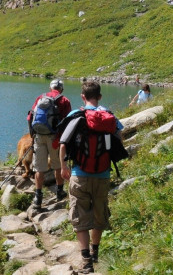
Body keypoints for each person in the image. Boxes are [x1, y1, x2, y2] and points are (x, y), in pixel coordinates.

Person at [59, 81, 123, 273]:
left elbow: (63, 144)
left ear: (82, 96)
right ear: (100, 97)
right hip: (103, 174)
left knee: (79, 217)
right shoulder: (109, 115)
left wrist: (63, 166)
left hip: (80, 174)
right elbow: (119, 138)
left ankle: (86, 261)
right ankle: (95, 252)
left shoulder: (75, 115)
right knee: (99, 213)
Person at [28, 79, 72, 208]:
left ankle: (38, 197)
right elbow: (67, 121)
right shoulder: (64, 100)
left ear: (50, 87)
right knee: (57, 165)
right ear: (61, 89)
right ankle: (59, 192)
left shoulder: (40, 97)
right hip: (55, 138)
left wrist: (33, 135)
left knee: (39, 168)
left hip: (39, 136)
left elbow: (30, 117)